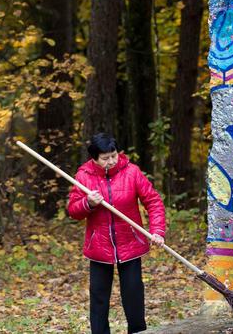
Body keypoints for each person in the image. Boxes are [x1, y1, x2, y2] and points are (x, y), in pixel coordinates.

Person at [67, 133, 167, 334]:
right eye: (105, 158)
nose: (111, 161)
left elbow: (153, 201)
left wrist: (157, 230)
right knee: (99, 298)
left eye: (113, 155)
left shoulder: (131, 172)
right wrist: (88, 203)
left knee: (133, 296)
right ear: (94, 158)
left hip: (130, 242)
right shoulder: (83, 176)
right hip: (99, 246)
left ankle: (138, 332)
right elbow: (73, 211)